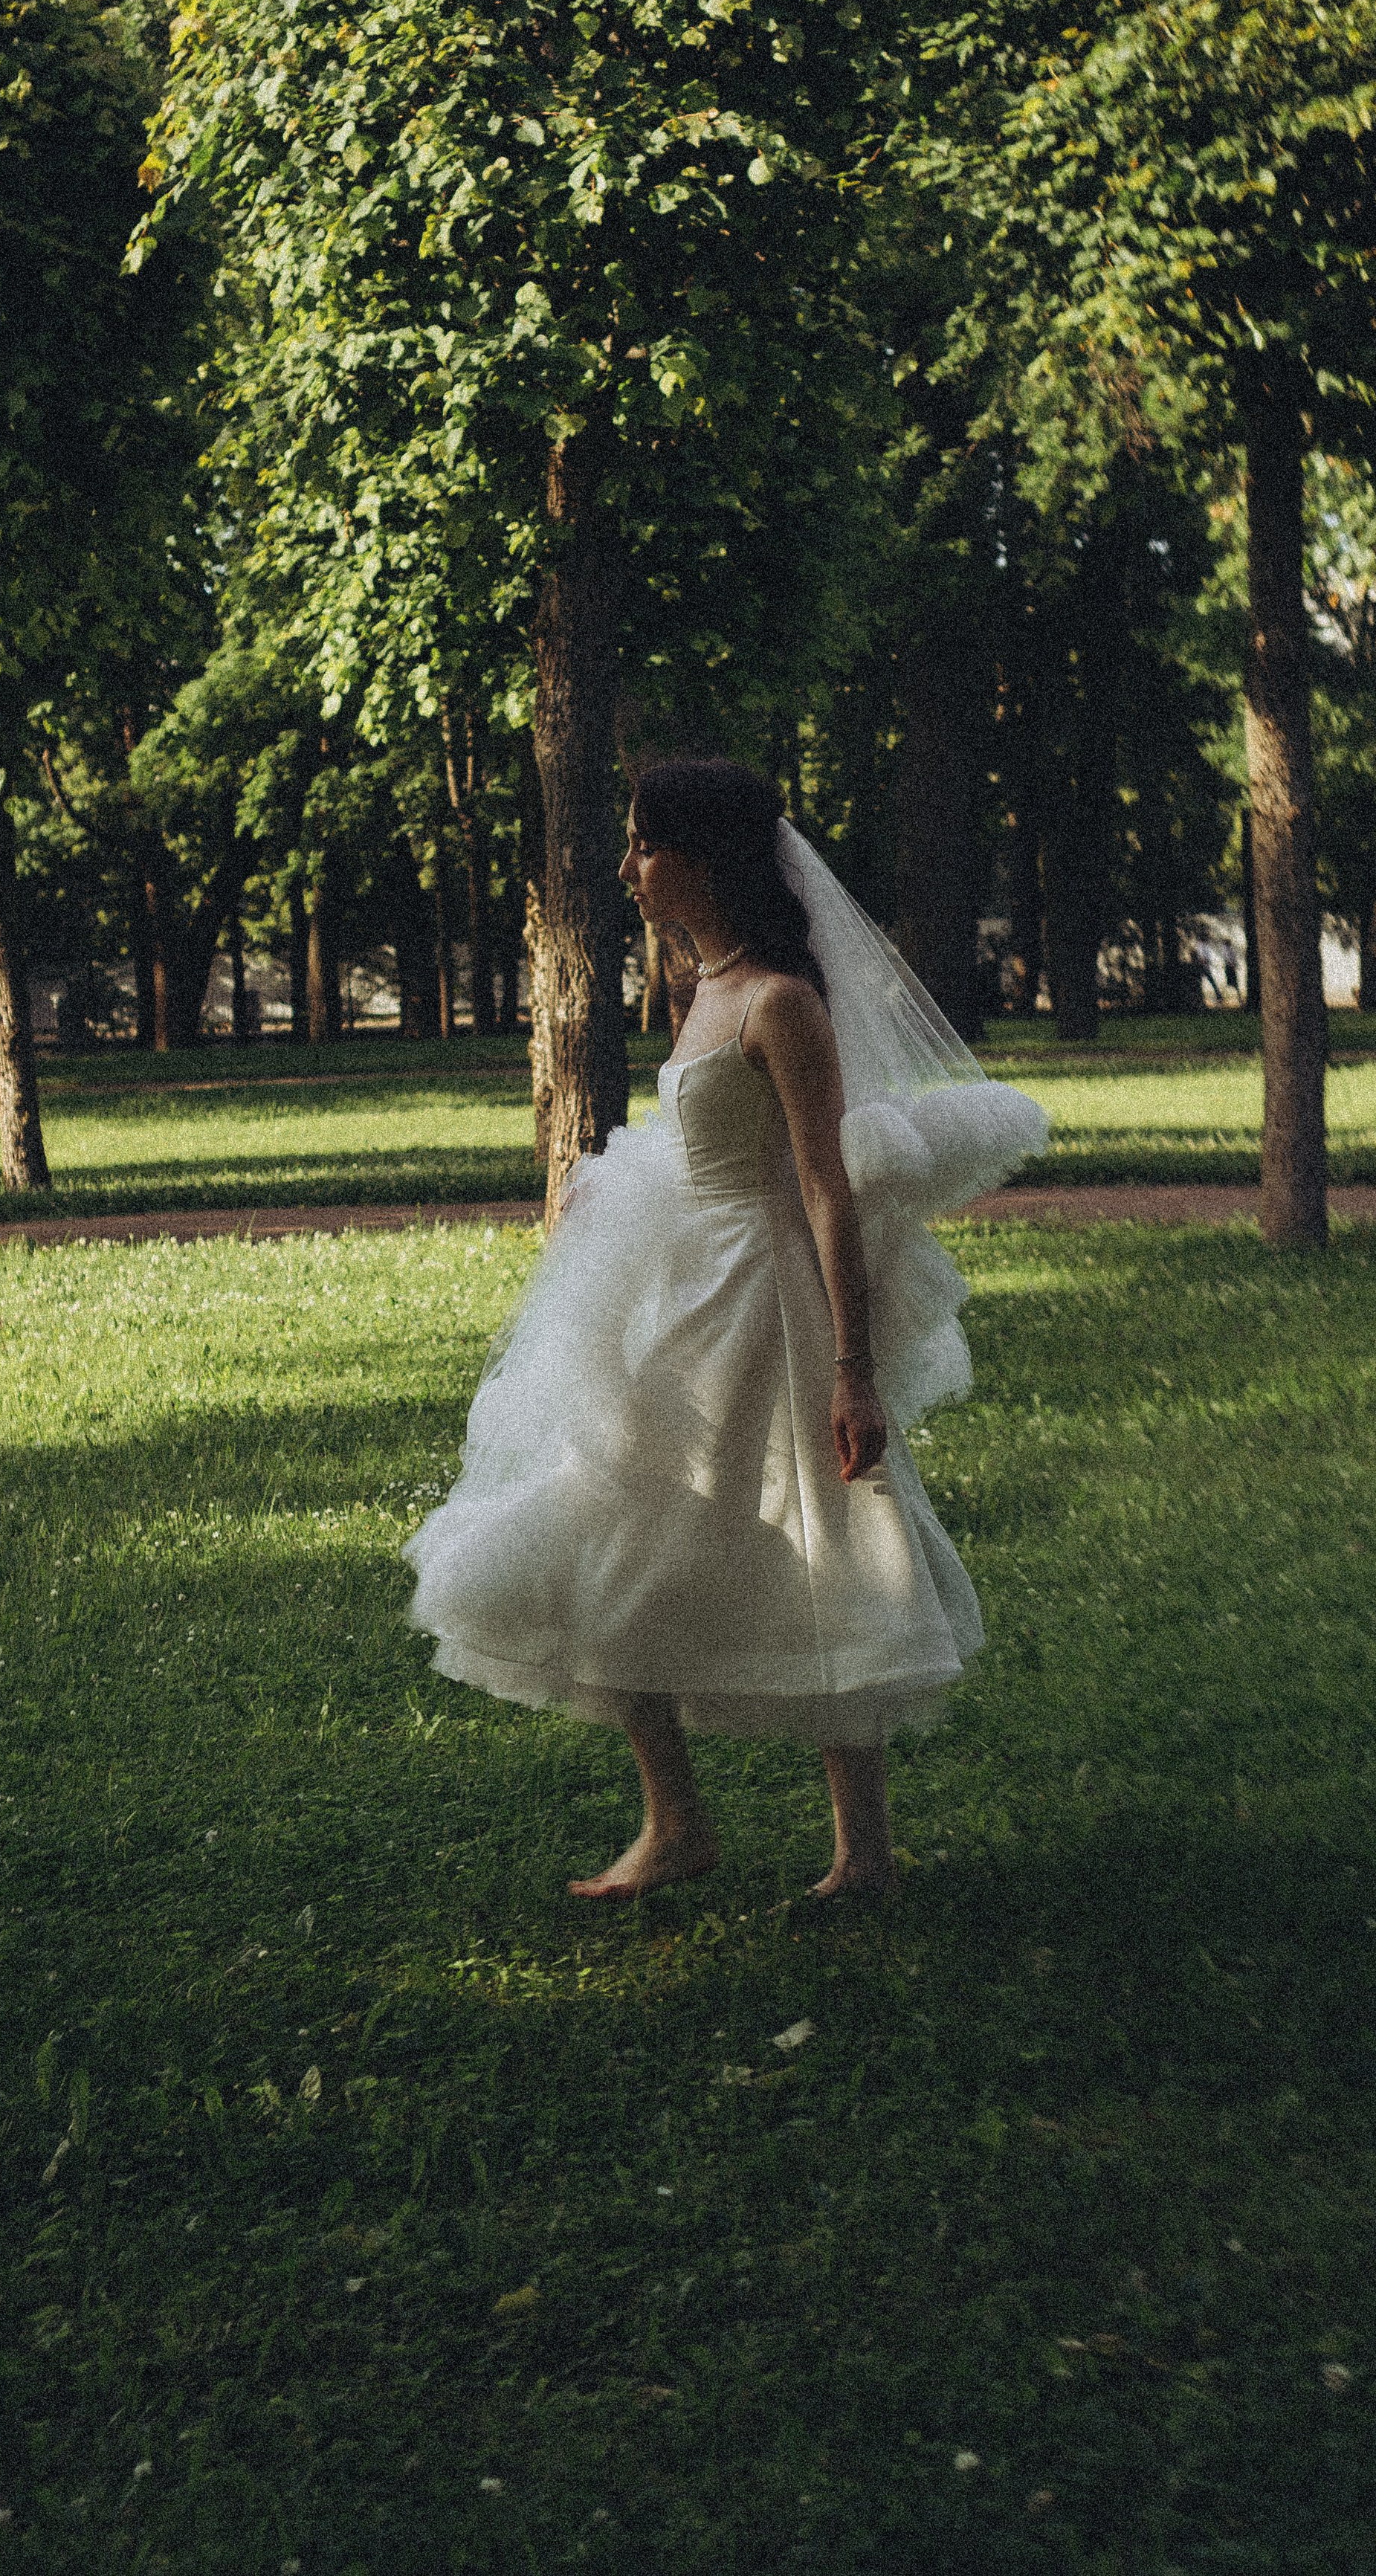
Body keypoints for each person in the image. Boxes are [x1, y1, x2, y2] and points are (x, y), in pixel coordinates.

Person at [403, 758, 1047, 1899]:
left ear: (707, 860)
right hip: (678, 1290)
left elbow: (822, 1186)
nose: (630, 869)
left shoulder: (781, 1002)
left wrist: (853, 1369)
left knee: (826, 1539)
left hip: (763, 1305)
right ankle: (676, 1823)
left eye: (649, 846)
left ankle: (865, 1854)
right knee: (608, 1521)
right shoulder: (702, 985)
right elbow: (708, 1145)